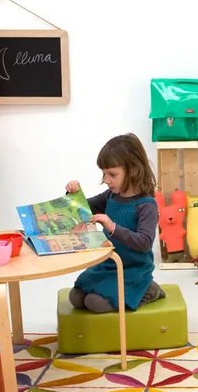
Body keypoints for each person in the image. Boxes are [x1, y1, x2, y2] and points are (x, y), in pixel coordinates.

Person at [66, 134, 164, 313]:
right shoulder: (110, 196)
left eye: (112, 174)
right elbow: (83, 209)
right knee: (76, 297)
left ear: (134, 170)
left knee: (95, 303)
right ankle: (120, 291)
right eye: (104, 174)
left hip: (133, 271)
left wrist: (112, 227)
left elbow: (144, 243)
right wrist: (74, 194)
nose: (106, 180)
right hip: (108, 265)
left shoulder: (146, 206)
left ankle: (149, 289)